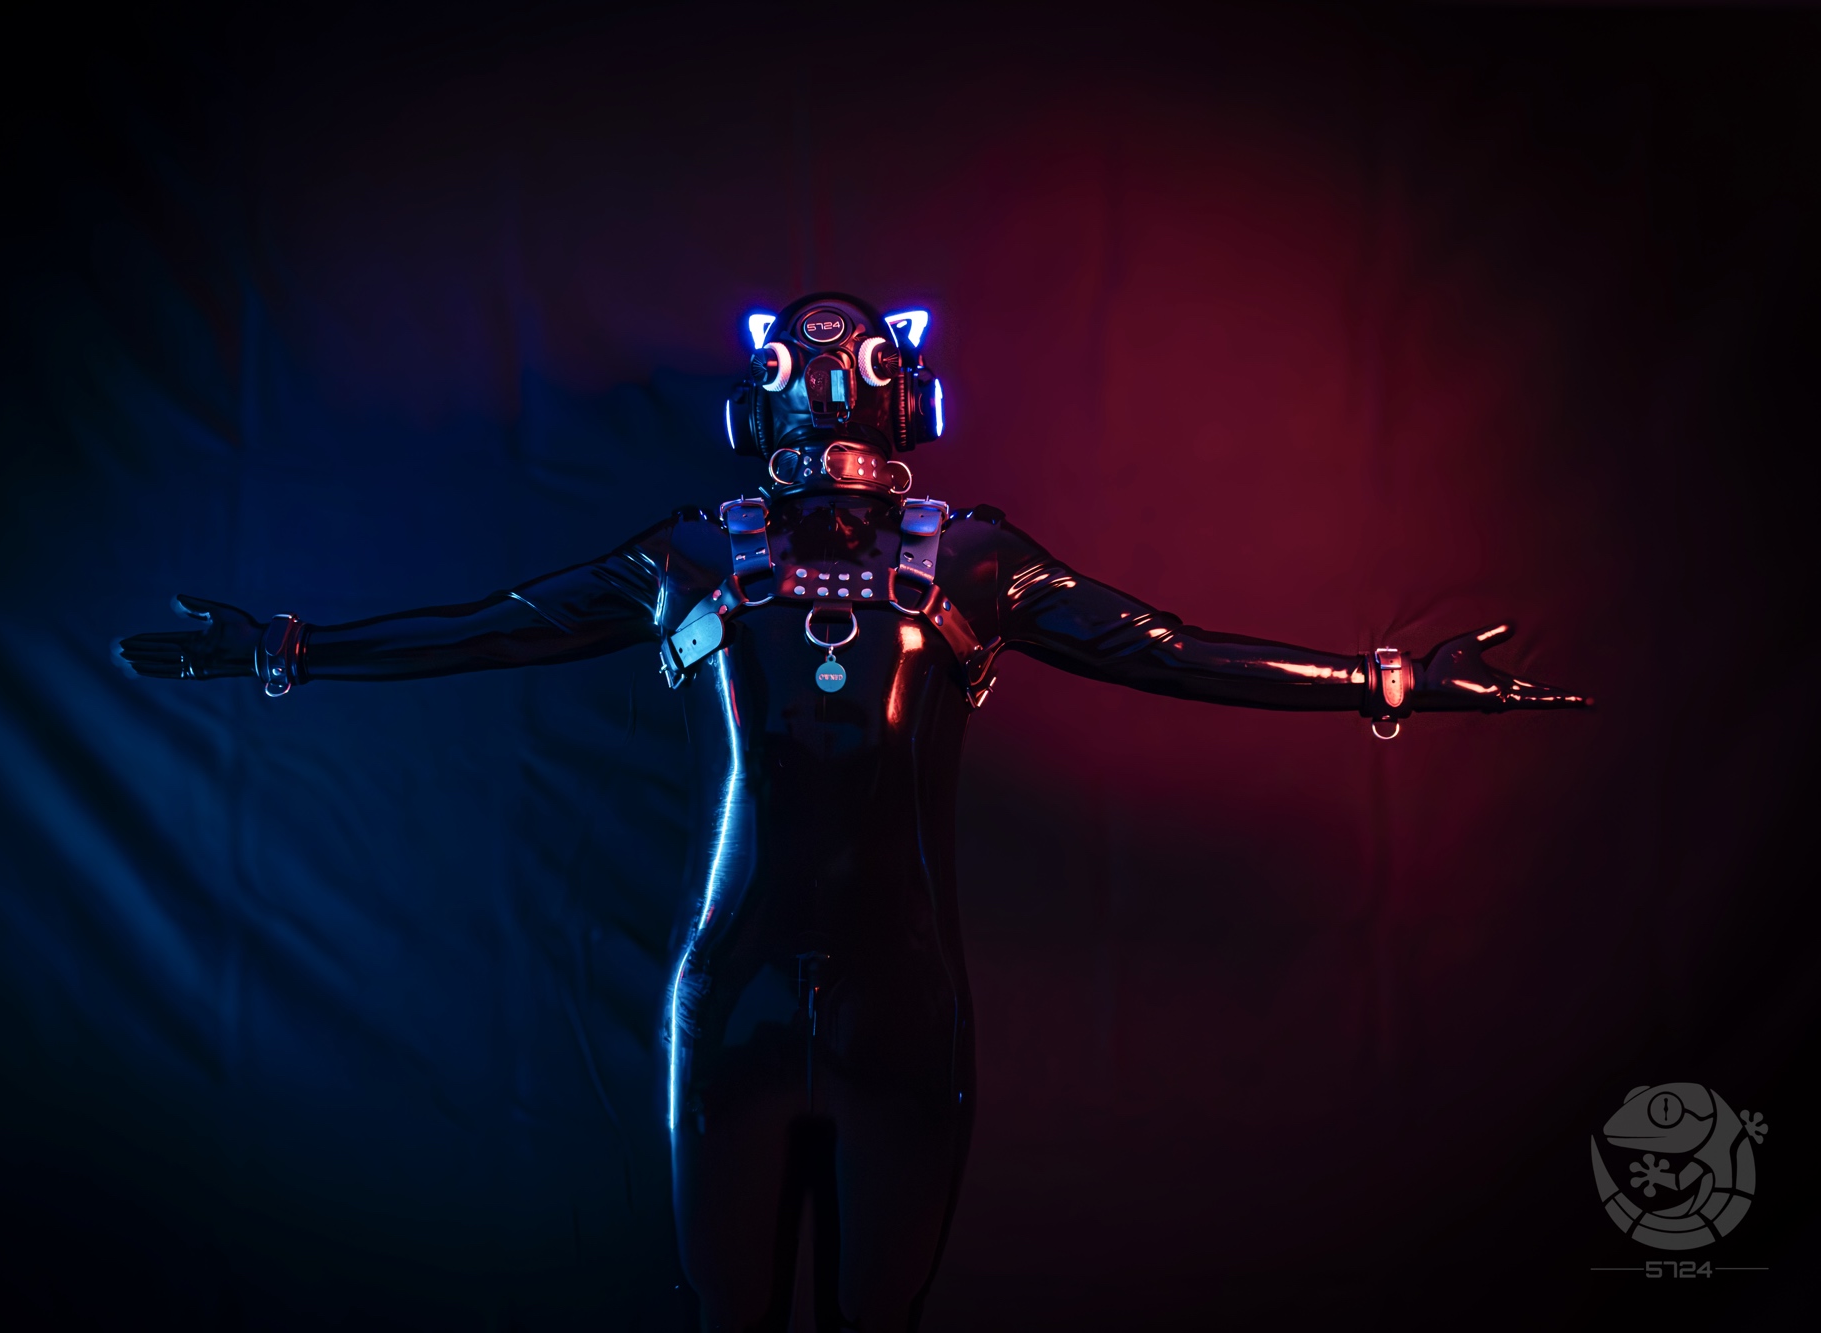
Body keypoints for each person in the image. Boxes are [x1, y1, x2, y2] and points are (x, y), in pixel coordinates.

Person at [119, 292, 1587, 1332]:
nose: (830, 403)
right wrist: (285, 647)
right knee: (753, 1314)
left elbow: (1168, 650)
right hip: (779, 1007)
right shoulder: (731, 558)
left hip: (850, 1010)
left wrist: (1389, 677)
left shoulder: (934, 561)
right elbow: (492, 626)